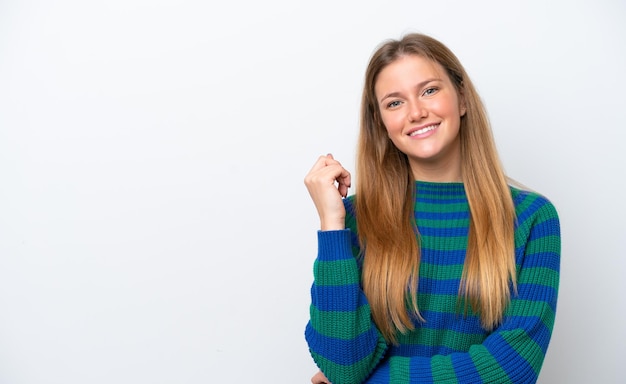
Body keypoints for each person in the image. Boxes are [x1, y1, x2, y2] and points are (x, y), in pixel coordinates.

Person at [303, 32, 561, 384]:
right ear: (381, 123)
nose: (417, 112)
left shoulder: (531, 219)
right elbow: (342, 364)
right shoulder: (353, 219)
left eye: (429, 90)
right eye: (395, 103)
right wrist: (332, 225)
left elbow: (511, 369)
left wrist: (372, 382)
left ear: (463, 99)